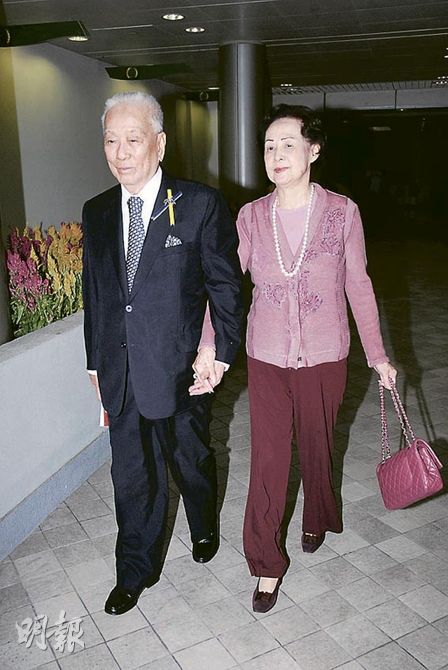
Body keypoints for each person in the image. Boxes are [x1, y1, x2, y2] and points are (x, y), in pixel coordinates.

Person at [194, 104, 396, 614]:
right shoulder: (250, 217)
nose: (276, 154)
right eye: (269, 146)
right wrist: (209, 345)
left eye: (288, 144)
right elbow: (226, 288)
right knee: (268, 457)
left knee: (317, 445)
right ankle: (265, 562)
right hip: (266, 356)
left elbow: (359, 285)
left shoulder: (342, 212)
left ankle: (317, 514)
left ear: (314, 150)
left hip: (326, 355)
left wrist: (377, 354)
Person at [82, 91, 243, 616]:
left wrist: (219, 353)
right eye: (111, 140)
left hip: (182, 370)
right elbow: (96, 294)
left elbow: (225, 287)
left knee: (190, 460)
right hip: (121, 370)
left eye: (133, 139)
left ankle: (204, 524)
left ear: (160, 143)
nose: (121, 152)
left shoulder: (198, 203)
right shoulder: (97, 211)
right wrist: (94, 361)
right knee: (132, 476)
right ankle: (134, 570)